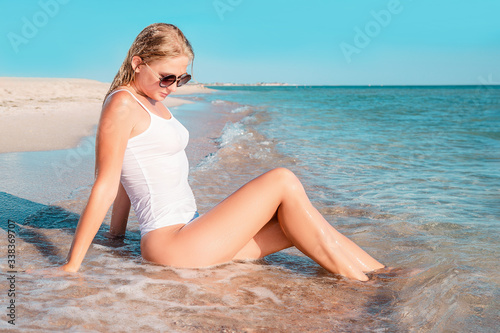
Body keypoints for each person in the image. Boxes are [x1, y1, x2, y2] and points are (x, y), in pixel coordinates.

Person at [60, 23, 384, 281]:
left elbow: (128, 177)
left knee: (297, 222)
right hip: (172, 245)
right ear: (137, 63)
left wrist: (117, 237)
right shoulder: (122, 104)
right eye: (166, 77)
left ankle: (380, 276)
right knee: (282, 180)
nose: (172, 86)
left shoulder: (149, 100)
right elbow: (106, 184)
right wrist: (71, 267)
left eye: (181, 78)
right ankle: (369, 290)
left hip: (192, 234)